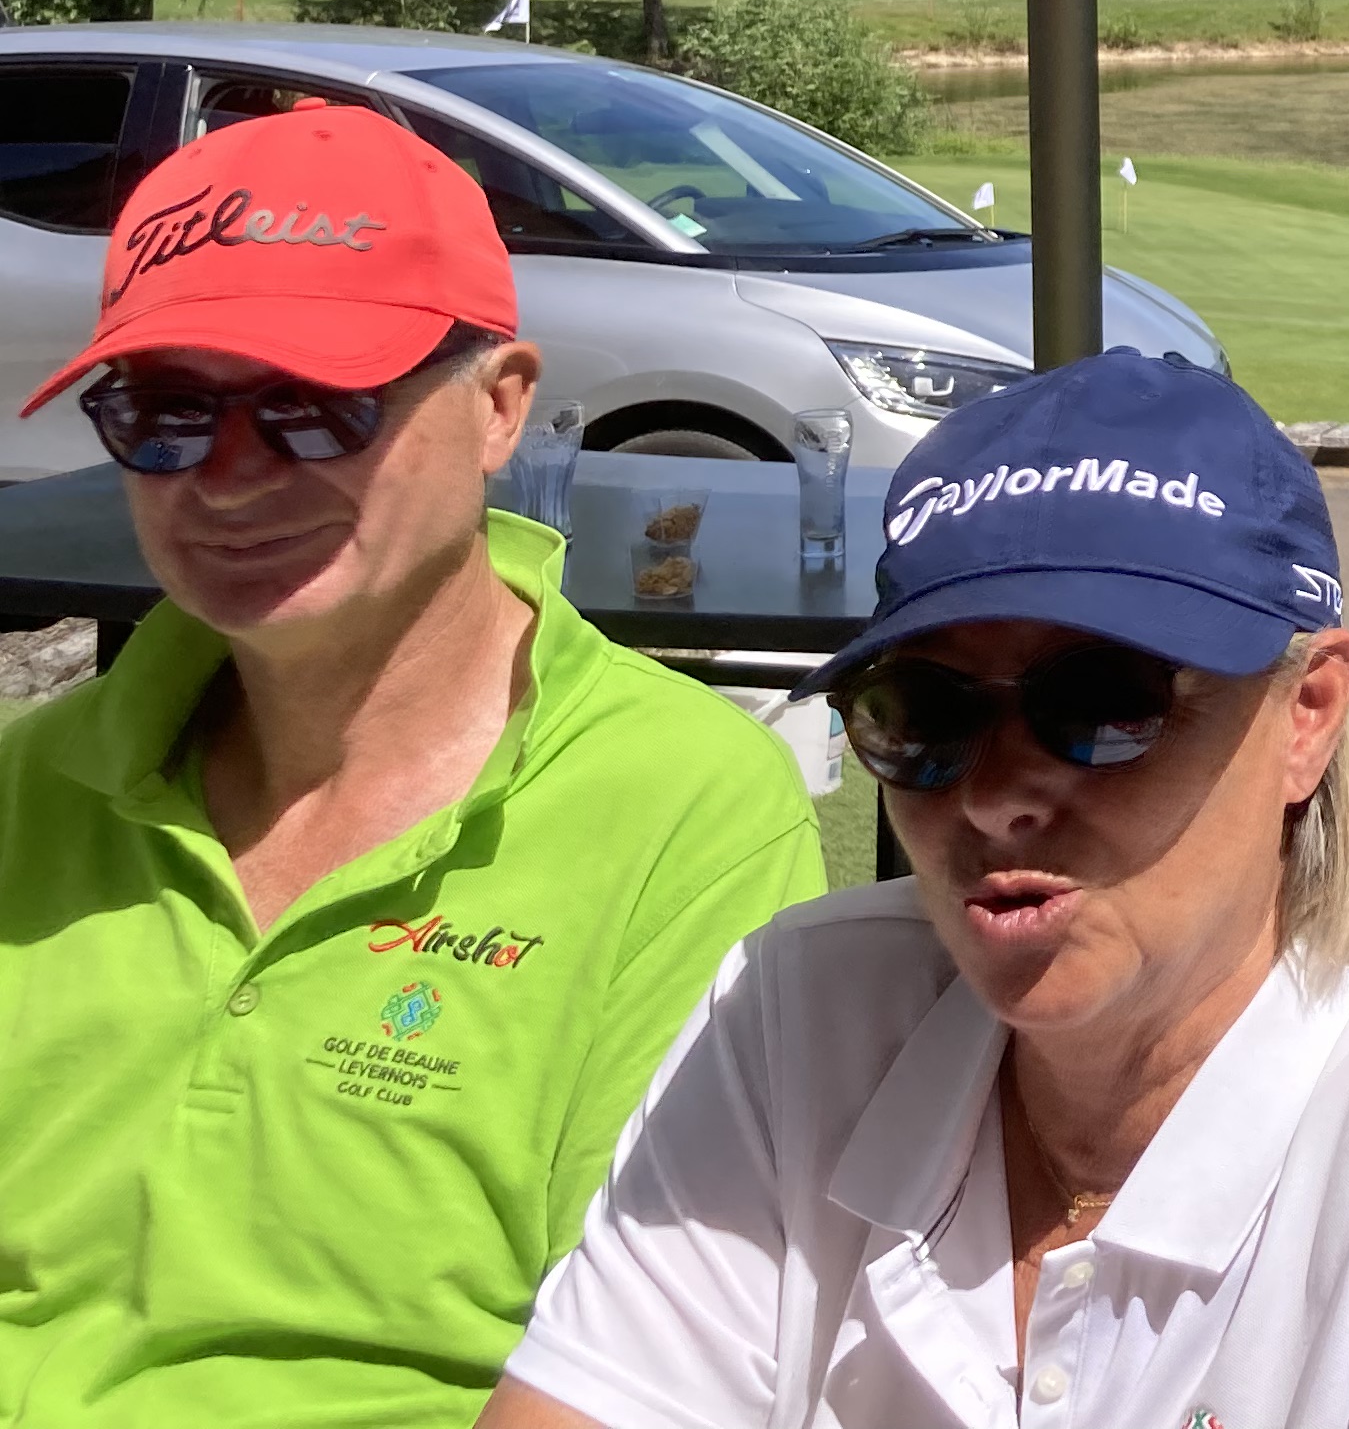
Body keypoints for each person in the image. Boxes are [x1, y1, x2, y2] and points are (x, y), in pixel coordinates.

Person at [489, 349, 1349, 1429]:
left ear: (1306, 715)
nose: (997, 797)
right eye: (922, 713)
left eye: (1103, 705)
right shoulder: (802, 1006)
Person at [0, 102, 828, 1426]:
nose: (225, 477)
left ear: (500, 407)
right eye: (163, 412)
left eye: (311, 407)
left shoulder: (683, 808)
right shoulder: (35, 783)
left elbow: (663, 1362)